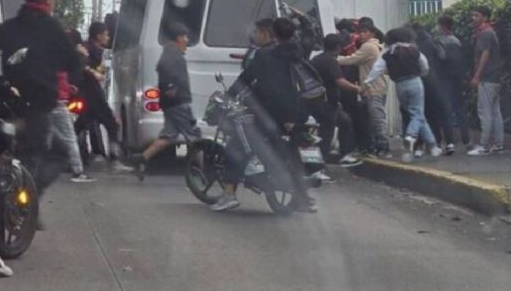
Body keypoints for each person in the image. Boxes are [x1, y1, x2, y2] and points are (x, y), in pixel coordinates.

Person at [0, 0, 81, 198]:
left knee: (16, 152)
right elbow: (73, 63)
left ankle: (17, 198)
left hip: (8, 103)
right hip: (38, 106)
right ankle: (24, 202)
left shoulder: (10, 26)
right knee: (50, 154)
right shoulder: (52, 28)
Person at [213, 18, 315, 213]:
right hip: (296, 113)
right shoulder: (299, 51)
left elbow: (246, 79)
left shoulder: (264, 55)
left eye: (258, 32)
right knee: (288, 150)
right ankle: (302, 196)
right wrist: (303, 20)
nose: (255, 35)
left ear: (268, 34)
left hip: (270, 113)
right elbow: (309, 36)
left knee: (236, 144)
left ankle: (229, 194)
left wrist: (229, 96)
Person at [131, 22, 202, 180]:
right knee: (195, 136)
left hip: (171, 104)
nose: (187, 40)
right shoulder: (172, 54)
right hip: (178, 103)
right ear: (177, 38)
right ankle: (205, 171)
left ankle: (141, 159)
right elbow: (164, 69)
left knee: (168, 137)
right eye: (184, 36)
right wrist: (171, 88)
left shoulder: (170, 52)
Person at [365, 27, 442, 158]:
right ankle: (411, 135)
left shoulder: (388, 53)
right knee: (417, 114)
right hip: (414, 82)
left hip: (399, 85)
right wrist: (422, 74)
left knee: (417, 114)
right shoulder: (413, 50)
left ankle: (433, 145)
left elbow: (376, 69)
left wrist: (367, 82)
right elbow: (425, 66)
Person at [79, 22, 129, 172]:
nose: (108, 37)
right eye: (106, 34)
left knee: (80, 124)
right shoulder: (87, 49)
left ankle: (57, 149)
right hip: (92, 93)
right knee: (112, 124)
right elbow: (81, 64)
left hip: (90, 92)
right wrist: (93, 73)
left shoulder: (99, 50)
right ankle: (114, 160)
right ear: (98, 35)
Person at [310, 34, 362, 166]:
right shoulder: (331, 61)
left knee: (345, 122)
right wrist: (357, 88)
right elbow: (340, 81)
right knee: (326, 134)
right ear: (338, 47)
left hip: (320, 101)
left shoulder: (317, 59)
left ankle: (345, 154)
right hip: (327, 103)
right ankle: (317, 167)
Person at [338, 21, 388, 155]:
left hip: (373, 88)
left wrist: (333, 59)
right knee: (373, 118)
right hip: (376, 86)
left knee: (377, 118)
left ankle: (383, 146)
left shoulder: (368, 46)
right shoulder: (376, 46)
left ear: (372, 33)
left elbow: (352, 59)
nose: (361, 34)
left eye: (365, 32)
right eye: (360, 32)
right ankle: (377, 145)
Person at [467, 6, 505, 156]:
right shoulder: (491, 32)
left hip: (487, 78)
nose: (473, 18)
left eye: (476, 15)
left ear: (485, 17)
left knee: (485, 112)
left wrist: (477, 76)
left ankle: (484, 146)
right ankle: (498, 144)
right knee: (496, 112)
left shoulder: (485, 34)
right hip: (496, 78)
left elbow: (485, 55)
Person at [412, 23, 450, 157]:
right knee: (434, 114)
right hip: (434, 81)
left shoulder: (414, 47)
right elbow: (442, 58)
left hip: (419, 81)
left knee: (419, 114)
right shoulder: (433, 43)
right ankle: (437, 142)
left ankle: (419, 145)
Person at [434, 15, 470, 153]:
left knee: (446, 111)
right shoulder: (457, 41)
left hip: (444, 79)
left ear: (442, 26)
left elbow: (441, 57)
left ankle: (450, 143)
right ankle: (466, 139)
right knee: (460, 111)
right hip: (457, 79)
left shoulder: (439, 41)